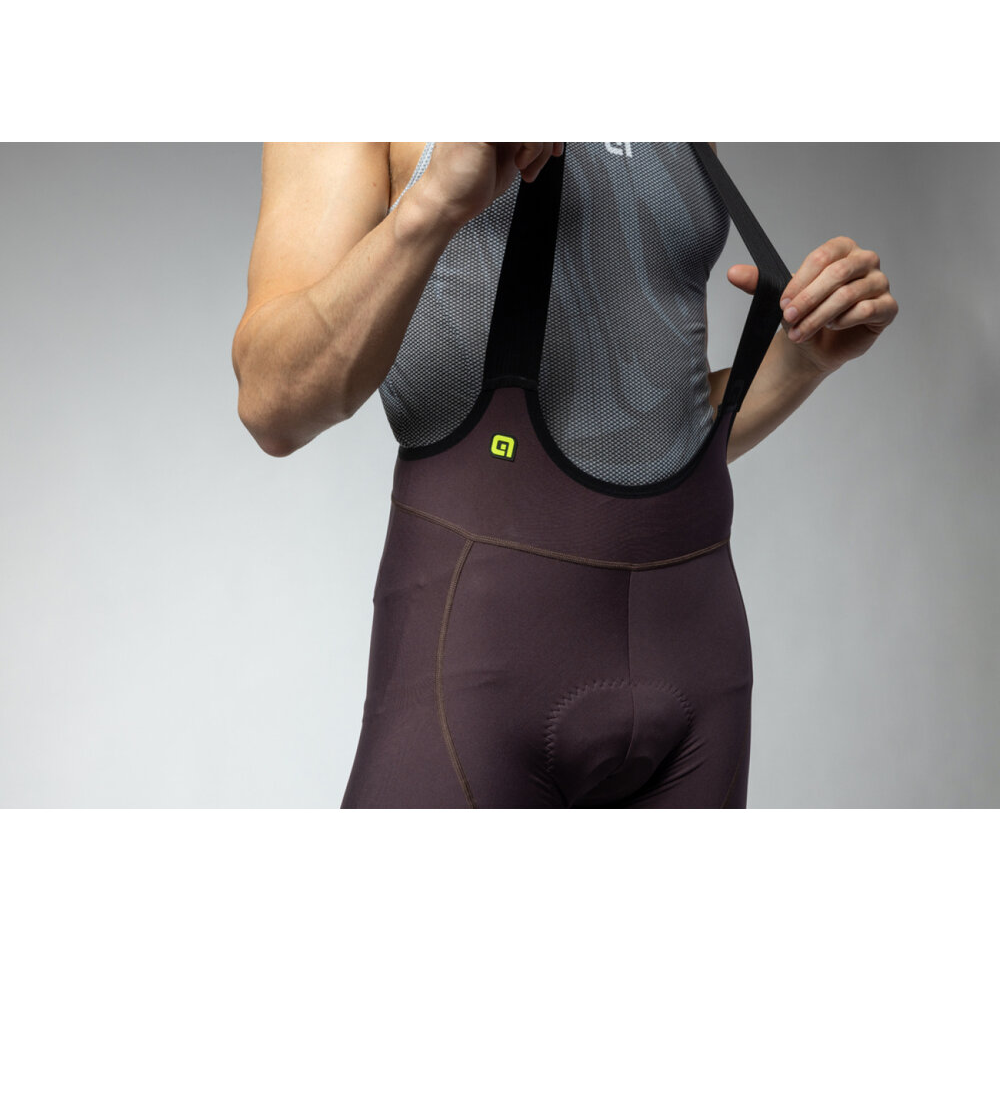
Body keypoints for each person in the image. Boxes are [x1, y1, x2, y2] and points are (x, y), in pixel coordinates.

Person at [232, 143, 898, 807]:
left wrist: (802, 361)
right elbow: (272, 403)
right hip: (479, 658)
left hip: (698, 660)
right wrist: (432, 203)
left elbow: (648, 426)